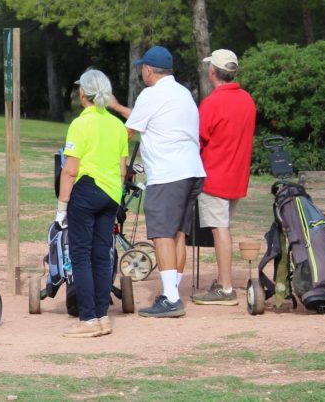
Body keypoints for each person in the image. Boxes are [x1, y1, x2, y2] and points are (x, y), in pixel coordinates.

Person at [108, 45, 206, 318]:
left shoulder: (150, 95)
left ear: (148, 70)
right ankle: (171, 292)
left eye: (143, 68)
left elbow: (128, 131)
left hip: (168, 174)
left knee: (162, 233)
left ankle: (172, 299)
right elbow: (145, 118)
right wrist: (117, 107)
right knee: (178, 234)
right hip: (192, 170)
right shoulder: (183, 93)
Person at [56, 69, 129, 337]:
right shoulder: (117, 125)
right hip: (111, 194)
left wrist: (62, 207)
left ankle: (88, 319)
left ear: (82, 93)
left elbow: (70, 170)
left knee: (80, 254)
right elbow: (122, 170)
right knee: (101, 255)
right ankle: (102, 316)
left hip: (86, 190)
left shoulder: (80, 124)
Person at [192, 49, 256, 306]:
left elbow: (198, 139)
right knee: (223, 228)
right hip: (237, 176)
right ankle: (222, 281)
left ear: (213, 73)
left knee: (220, 231)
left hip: (215, 176)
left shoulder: (212, 103)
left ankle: (226, 288)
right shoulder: (247, 100)